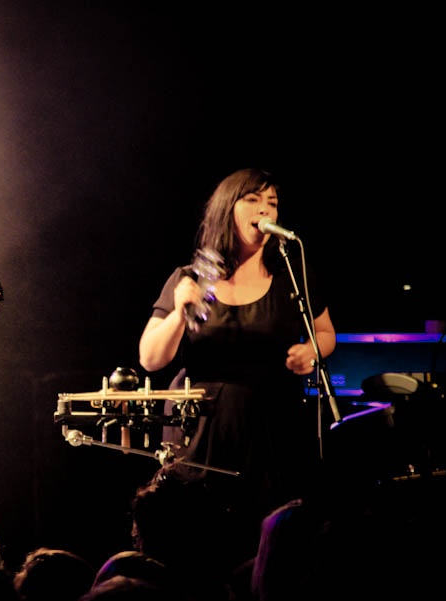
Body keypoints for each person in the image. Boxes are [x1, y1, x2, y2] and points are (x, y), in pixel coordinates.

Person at [137, 167, 336, 535]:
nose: (266, 211)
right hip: (203, 435)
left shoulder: (289, 276)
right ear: (228, 208)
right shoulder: (192, 278)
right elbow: (150, 358)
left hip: (274, 433)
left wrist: (311, 351)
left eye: (273, 203)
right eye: (253, 200)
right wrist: (180, 313)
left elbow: (325, 332)